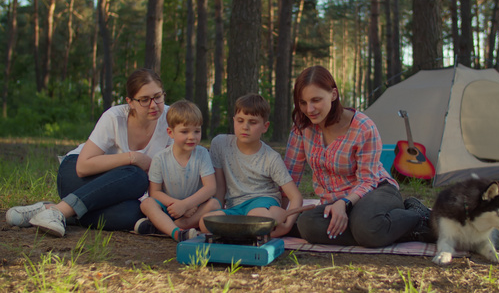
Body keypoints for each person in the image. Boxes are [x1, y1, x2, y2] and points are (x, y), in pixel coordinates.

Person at [6, 68, 172, 237]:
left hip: (114, 193)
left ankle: (53, 210)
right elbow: (83, 167)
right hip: (77, 176)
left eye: (158, 97)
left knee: (136, 212)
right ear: (130, 102)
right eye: (144, 100)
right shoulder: (115, 117)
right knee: (137, 176)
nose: (153, 105)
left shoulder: (171, 119)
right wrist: (133, 157)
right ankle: (60, 211)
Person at [284, 65, 434, 247]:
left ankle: (417, 216)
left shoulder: (363, 127)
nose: (309, 109)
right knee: (306, 223)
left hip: (375, 191)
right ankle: (379, 229)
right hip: (334, 203)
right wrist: (278, 211)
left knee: (365, 225)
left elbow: (368, 180)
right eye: (303, 102)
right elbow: (290, 176)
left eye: (316, 100)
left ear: (333, 94)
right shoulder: (302, 126)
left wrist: (344, 203)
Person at [199, 94, 303, 238]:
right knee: (205, 223)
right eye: (240, 121)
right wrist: (217, 211)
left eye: (253, 122)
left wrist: (287, 226)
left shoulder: (271, 158)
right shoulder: (220, 144)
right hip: (235, 208)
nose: (245, 127)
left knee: (256, 217)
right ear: (234, 121)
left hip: (262, 202)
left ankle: (265, 222)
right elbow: (220, 188)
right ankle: (250, 231)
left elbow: (296, 196)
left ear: (265, 127)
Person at [134, 100, 219, 241]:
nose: (192, 136)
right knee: (147, 203)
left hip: (194, 207)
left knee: (214, 204)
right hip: (169, 208)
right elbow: (154, 192)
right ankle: (176, 233)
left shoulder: (202, 154)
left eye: (196, 131)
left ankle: (163, 228)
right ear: (170, 132)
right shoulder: (160, 158)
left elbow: (210, 187)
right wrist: (176, 205)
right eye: (184, 131)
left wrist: (186, 205)